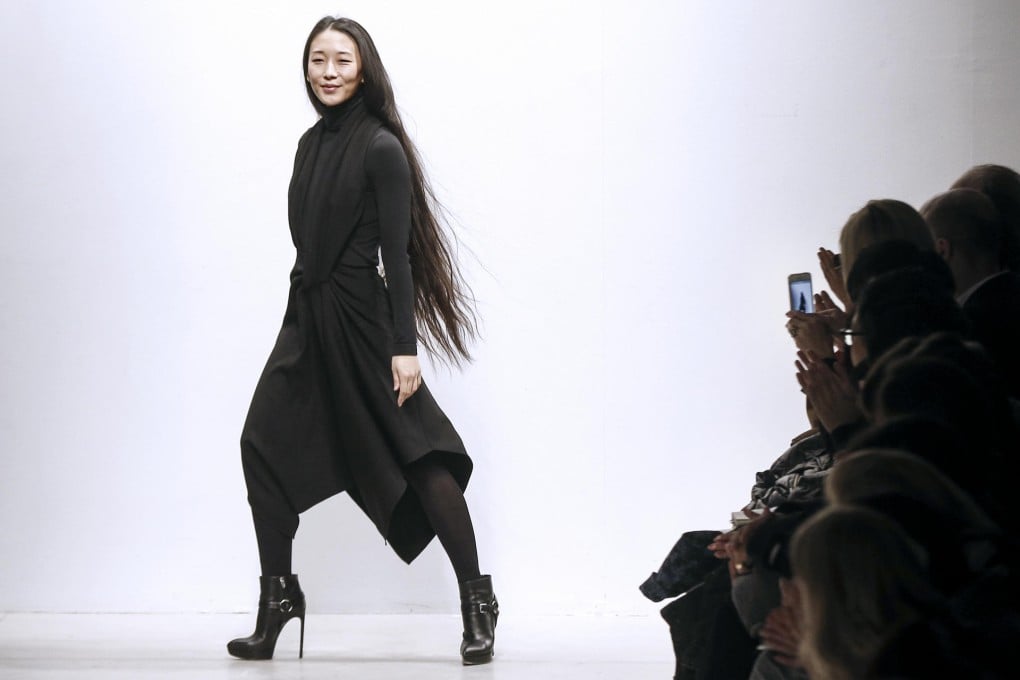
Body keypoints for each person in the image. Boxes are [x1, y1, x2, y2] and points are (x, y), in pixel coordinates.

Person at [227, 17, 497, 665]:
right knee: (259, 445)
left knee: (420, 456)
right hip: (308, 318)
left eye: (341, 60)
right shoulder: (308, 145)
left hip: (365, 323)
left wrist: (404, 346)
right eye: (317, 59)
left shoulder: (381, 148)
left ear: (364, 68)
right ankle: (278, 600)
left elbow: (399, 258)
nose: (327, 72)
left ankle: (477, 603)